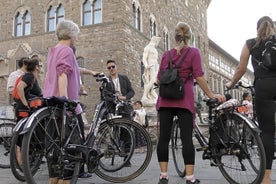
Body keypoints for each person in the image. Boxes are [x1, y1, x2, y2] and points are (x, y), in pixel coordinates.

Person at [156, 22, 225, 184]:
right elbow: (199, 77)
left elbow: (159, 78)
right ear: (190, 37)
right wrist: (211, 93)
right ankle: (190, 178)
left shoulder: (166, 54)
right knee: (187, 139)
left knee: (163, 139)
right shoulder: (194, 53)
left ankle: (163, 176)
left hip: (165, 100)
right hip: (184, 101)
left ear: (175, 37)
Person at [43, 20, 99, 184]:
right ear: (72, 34)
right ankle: (66, 179)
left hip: (50, 105)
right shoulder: (67, 50)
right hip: (65, 107)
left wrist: (90, 72)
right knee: (73, 146)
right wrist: (65, 99)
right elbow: (62, 74)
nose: (77, 38)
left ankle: (54, 178)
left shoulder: (53, 50)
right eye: (77, 35)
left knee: (54, 147)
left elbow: (71, 69)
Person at [225, 16, 276, 184]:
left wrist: (231, 84)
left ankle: (266, 178)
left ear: (257, 28)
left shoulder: (250, 43)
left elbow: (241, 68)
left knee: (267, 133)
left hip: (264, 87)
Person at [13, 57, 43, 168]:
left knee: (25, 135)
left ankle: (25, 163)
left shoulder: (32, 77)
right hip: (26, 109)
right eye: (39, 65)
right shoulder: (30, 76)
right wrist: (25, 103)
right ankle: (24, 163)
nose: (40, 67)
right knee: (25, 136)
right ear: (36, 67)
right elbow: (20, 87)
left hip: (25, 109)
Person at [105, 59, 135, 166]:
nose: (111, 69)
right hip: (113, 109)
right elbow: (105, 96)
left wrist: (124, 97)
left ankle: (127, 155)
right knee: (114, 131)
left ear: (116, 67)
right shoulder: (107, 81)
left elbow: (132, 91)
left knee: (126, 130)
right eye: (109, 68)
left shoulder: (124, 79)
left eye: (113, 66)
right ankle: (113, 148)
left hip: (125, 108)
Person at [141, 36, 161, 105]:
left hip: (156, 67)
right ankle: (144, 96)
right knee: (152, 81)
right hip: (151, 66)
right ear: (156, 40)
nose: (158, 43)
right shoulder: (147, 47)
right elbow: (144, 58)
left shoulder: (155, 49)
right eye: (158, 41)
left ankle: (153, 95)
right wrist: (146, 66)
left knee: (154, 83)